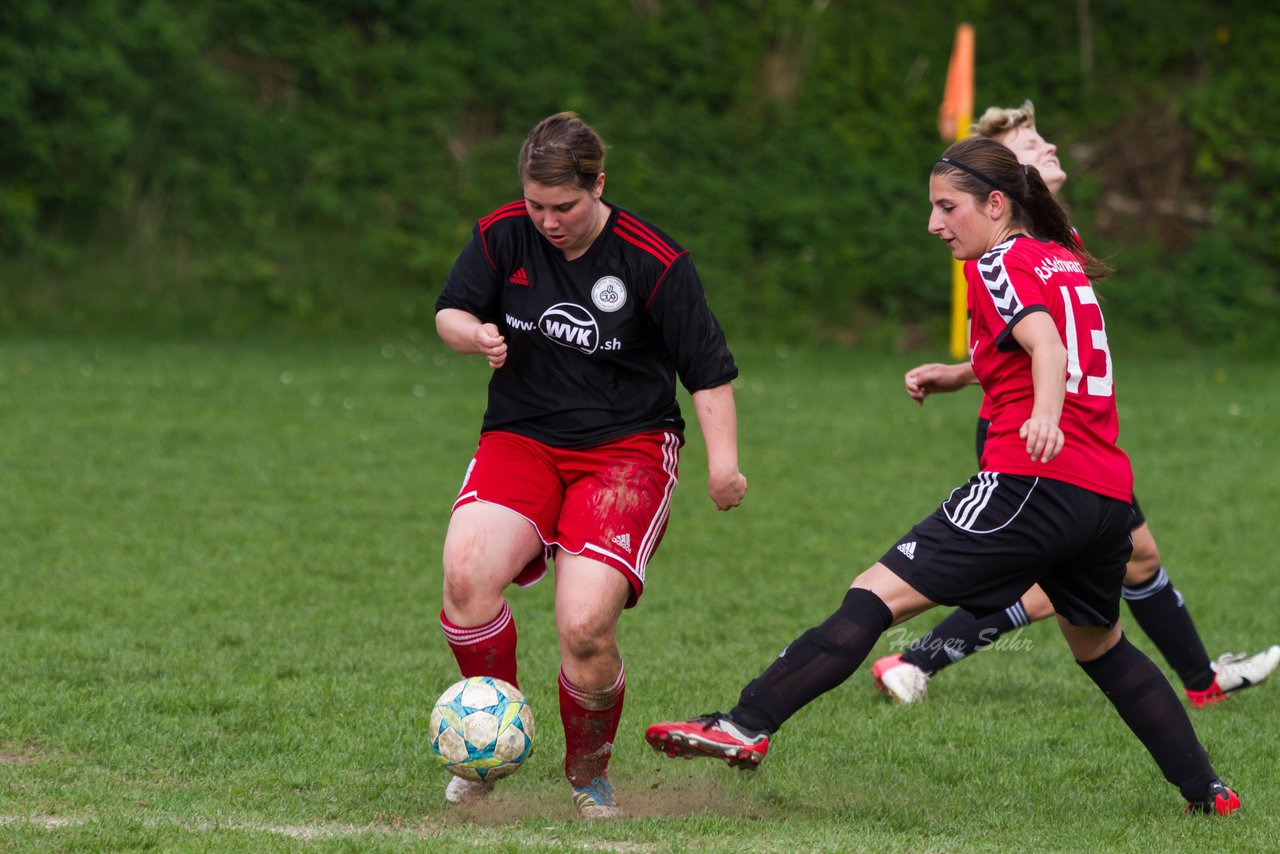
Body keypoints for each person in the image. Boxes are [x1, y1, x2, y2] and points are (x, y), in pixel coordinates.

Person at [646, 136, 1240, 816]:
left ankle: (743, 724)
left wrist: (1043, 415)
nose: (934, 224)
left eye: (946, 207)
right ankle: (1209, 792)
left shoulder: (997, 262)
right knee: (1102, 646)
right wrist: (961, 374)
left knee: (875, 596)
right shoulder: (1060, 255)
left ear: (994, 204)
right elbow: (1036, 338)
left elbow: (1044, 341)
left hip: (1031, 480)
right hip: (1105, 496)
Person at [869, 101, 1279, 706]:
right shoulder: (1001, 241)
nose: (1049, 147)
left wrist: (959, 374)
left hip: (1071, 432)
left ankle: (1202, 681)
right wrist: (1022, 403)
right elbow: (1033, 345)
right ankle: (914, 658)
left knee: (1132, 559)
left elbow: (1041, 341)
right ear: (1003, 183)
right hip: (1040, 435)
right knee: (1072, 575)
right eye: (1030, 143)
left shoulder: (1052, 235)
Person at [434, 112, 748, 819]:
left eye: (565, 207)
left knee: (583, 628)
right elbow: (449, 311)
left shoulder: (653, 260)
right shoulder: (502, 234)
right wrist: (475, 332)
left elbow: (709, 371)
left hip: (626, 452)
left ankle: (588, 773)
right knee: (465, 578)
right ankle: (492, 740)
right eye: (536, 205)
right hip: (522, 438)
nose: (548, 221)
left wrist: (723, 466)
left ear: (599, 185)